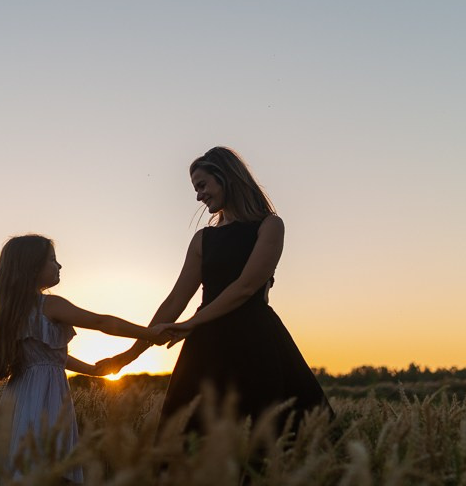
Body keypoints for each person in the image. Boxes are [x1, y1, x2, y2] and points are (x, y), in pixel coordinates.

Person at [101, 147, 333, 435]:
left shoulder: (270, 225)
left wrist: (192, 323)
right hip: (207, 347)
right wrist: (130, 355)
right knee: (188, 440)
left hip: (256, 342)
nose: (199, 196)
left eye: (202, 185)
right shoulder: (203, 239)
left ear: (226, 178)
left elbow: (246, 286)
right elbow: (175, 300)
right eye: (196, 189)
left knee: (268, 439)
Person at [0, 234, 170, 486]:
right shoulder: (49, 305)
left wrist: (91, 370)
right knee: (51, 477)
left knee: (25, 478)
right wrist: (149, 333)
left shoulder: (11, 311)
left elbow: (50, 355)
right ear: (32, 267)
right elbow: (102, 323)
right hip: (46, 399)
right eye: (53, 260)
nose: (59, 266)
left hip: (21, 398)